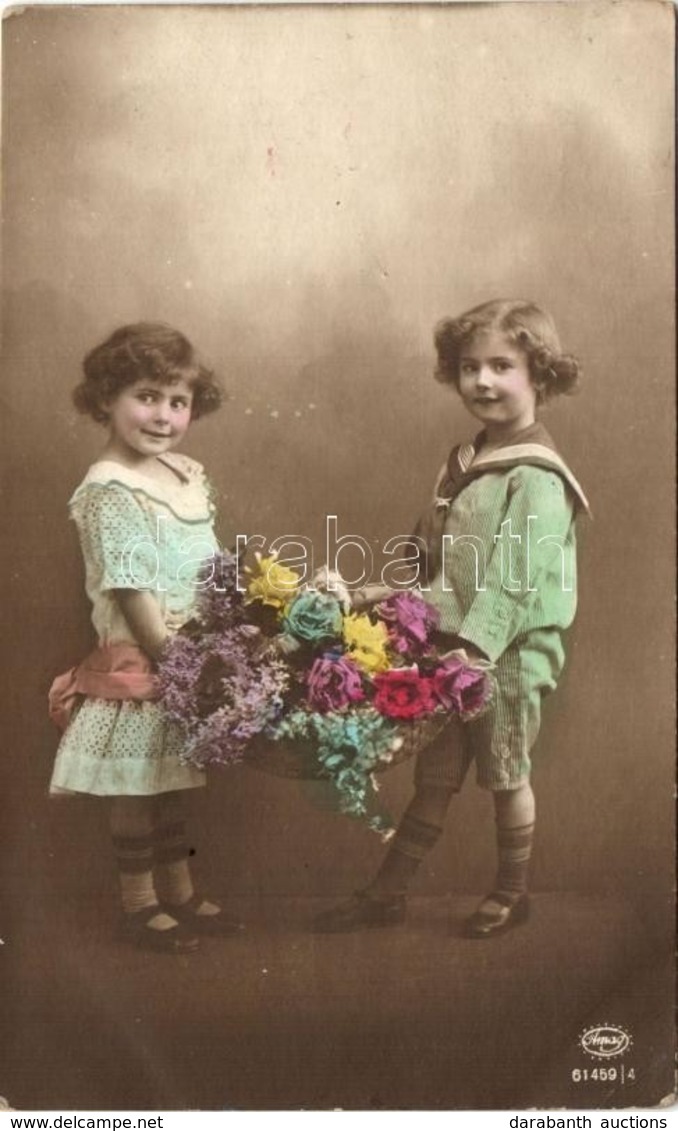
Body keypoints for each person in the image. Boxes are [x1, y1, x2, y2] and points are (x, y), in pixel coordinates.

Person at [315, 298, 590, 937]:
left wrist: (476, 649)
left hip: (511, 650)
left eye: (503, 366)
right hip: (449, 646)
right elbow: (434, 566)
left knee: (504, 770)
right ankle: (388, 892)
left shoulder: (538, 479)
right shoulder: (461, 465)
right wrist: (374, 598)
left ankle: (511, 891)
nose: (483, 382)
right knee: (434, 777)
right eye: (470, 367)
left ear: (539, 376)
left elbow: (512, 581)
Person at [49, 322, 237, 952]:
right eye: (146, 397)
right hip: (146, 656)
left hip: (191, 650)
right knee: (136, 786)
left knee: (173, 781)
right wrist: (179, 661)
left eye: (177, 401)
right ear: (106, 397)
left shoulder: (182, 472)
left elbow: (205, 563)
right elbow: (131, 588)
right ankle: (140, 904)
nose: (162, 416)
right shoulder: (110, 487)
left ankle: (180, 891)